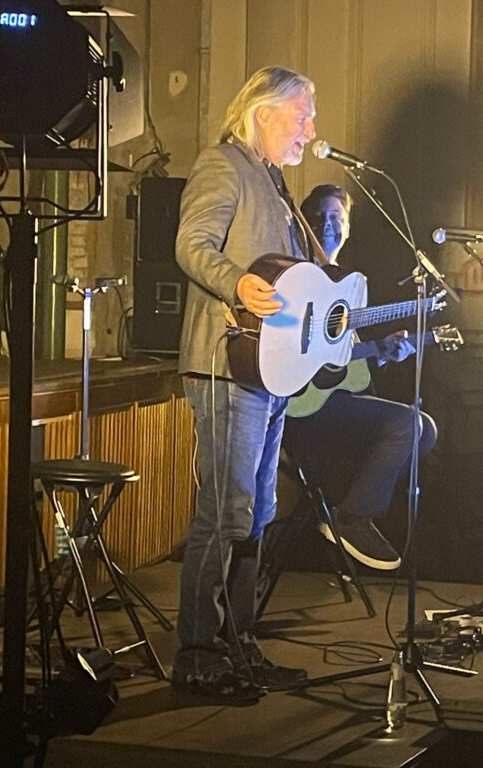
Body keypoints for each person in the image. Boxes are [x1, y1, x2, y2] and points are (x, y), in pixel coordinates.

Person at [172, 66, 317, 697]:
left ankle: (240, 645)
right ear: (263, 112)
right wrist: (235, 282)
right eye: (302, 116)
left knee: (256, 510)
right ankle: (198, 653)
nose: (312, 131)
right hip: (225, 363)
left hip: (269, 367)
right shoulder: (223, 164)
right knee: (225, 508)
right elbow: (191, 242)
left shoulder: (276, 181)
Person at [282, 184, 438, 570]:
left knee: (426, 429)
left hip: (327, 401)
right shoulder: (294, 275)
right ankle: (350, 518)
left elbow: (339, 364)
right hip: (295, 407)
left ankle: (350, 506)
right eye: (318, 216)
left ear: (349, 228)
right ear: (303, 224)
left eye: (337, 217)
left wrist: (381, 352)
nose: (328, 225)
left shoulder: (350, 285)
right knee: (408, 425)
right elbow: (299, 352)